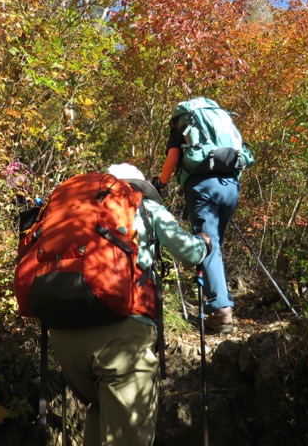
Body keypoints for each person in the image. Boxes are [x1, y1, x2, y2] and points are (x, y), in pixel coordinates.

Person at [48, 163, 210, 446]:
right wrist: (205, 243)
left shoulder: (77, 210)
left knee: (100, 408)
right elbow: (190, 252)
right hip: (122, 334)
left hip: (64, 334)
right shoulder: (144, 206)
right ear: (139, 186)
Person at [152, 104, 241, 335]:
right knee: (215, 245)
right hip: (230, 185)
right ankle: (219, 300)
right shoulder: (221, 120)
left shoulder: (182, 123)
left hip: (202, 188)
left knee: (208, 245)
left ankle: (221, 311)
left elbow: (173, 157)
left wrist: (159, 184)